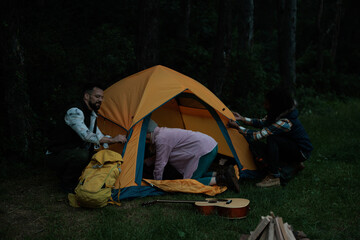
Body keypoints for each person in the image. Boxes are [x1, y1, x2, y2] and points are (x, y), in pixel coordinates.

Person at [46, 84, 127, 192]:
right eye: (97, 97)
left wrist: (118, 138)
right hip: (56, 154)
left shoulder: (91, 114)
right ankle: (67, 184)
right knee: (82, 155)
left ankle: (82, 179)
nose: (100, 100)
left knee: (98, 156)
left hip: (72, 151)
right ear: (86, 96)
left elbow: (98, 136)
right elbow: (86, 135)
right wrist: (112, 140)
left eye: (102, 98)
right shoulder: (74, 111)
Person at [228, 87, 313, 187]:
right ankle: (292, 165)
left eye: (267, 103)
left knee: (272, 139)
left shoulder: (285, 122)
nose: (264, 105)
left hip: (301, 152)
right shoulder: (278, 114)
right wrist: (242, 118)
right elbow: (262, 122)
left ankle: (274, 176)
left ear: (276, 106)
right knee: (258, 145)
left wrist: (238, 128)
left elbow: (258, 135)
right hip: (292, 146)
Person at [146, 120, 240, 192]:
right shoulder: (164, 133)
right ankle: (224, 173)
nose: (144, 140)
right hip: (210, 145)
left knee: (190, 182)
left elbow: (160, 163)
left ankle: (223, 179)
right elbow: (163, 154)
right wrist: (148, 161)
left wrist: (157, 183)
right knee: (199, 175)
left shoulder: (161, 139)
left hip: (204, 150)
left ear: (148, 133)